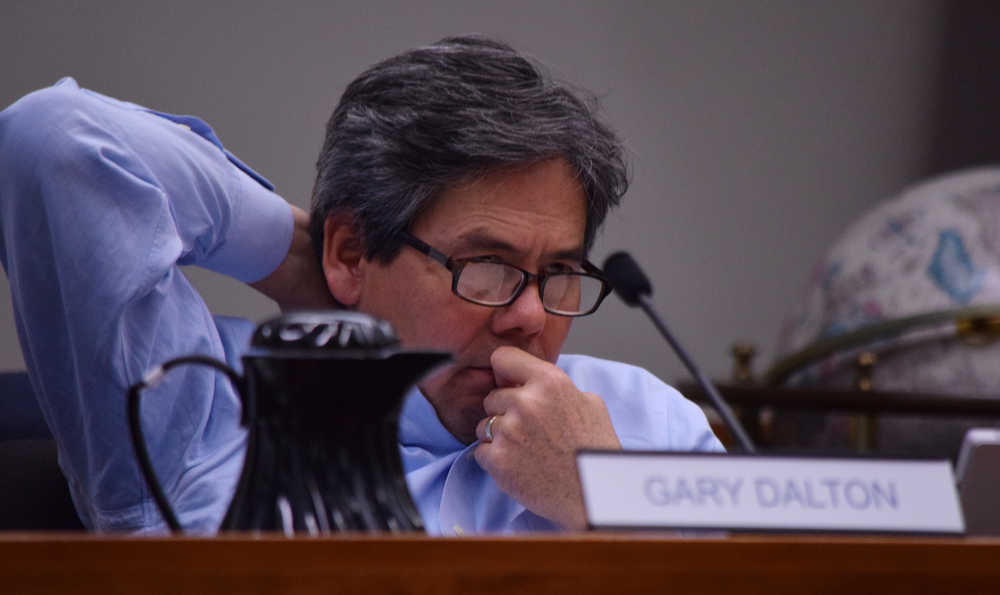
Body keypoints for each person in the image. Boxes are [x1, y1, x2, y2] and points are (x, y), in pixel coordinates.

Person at [0, 36, 722, 535]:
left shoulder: (645, 424)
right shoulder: (200, 408)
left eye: (559, 271)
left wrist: (609, 502)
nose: (531, 316)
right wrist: (294, 258)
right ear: (352, 249)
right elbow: (53, 143)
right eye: (488, 267)